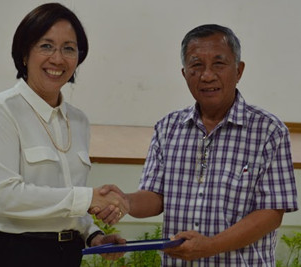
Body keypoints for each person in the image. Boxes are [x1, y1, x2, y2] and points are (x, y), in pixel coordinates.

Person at [94, 24, 298, 266]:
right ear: (184, 73)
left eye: (219, 64)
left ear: (239, 70)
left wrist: (210, 247)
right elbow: (156, 196)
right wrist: (125, 202)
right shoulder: (168, 127)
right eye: (196, 65)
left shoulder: (269, 131)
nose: (207, 75)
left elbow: (271, 214)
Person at [0, 3, 128, 267]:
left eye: (69, 48)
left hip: (64, 254)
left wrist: (92, 234)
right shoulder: (0, 111)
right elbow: (6, 197)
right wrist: (89, 198)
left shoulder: (79, 121)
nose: (58, 59)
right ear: (24, 54)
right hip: (3, 254)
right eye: (46, 46)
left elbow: (61, 198)